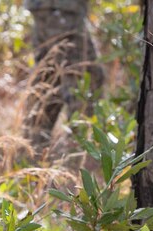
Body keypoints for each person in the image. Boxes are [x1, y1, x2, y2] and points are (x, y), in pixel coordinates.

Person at [22, 0, 105, 152]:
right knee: (83, 76)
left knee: (51, 75)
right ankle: (79, 153)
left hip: (52, 6)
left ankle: (32, 150)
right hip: (62, 8)